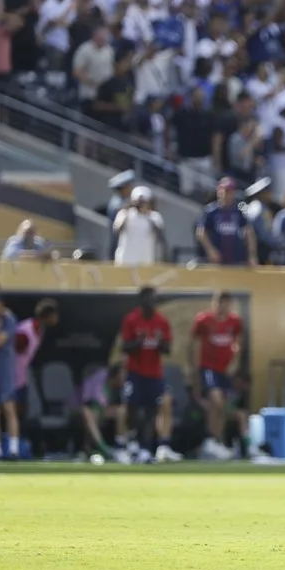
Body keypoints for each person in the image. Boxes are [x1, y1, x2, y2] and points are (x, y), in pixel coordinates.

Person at [120, 287, 172, 463]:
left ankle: (146, 448)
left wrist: (160, 342)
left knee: (151, 412)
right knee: (132, 409)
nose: (152, 304)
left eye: (154, 300)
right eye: (148, 300)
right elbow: (126, 347)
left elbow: (167, 349)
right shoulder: (131, 320)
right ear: (142, 301)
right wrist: (139, 341)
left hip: (154, 374)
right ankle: (132, 439)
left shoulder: (162, 322)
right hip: (135, 372)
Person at [189, 291, 242, 460]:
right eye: (219, 303)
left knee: (221, 406)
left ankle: (217, 442)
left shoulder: (235, 322)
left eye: (226, 303)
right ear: (214, 303)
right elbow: (194, 345)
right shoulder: (203, 321)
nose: (222, 307)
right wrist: (195, 370)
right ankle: (212, 440)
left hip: (225, 370)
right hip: (208, 368)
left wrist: (234, 363)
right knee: (216, 399)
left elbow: (238, 344)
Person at [13, 298, 59, 420]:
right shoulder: (25, 331)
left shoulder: (40, 330)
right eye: (55, 315)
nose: (56, 319)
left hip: (21, 377)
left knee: (22, 410)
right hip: (11, 377)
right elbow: (12, 353)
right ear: (47, 316)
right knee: (10, 410)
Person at [196, 177, 258, 267]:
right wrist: (210, 250)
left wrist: (252, 255)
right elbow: (201, 233)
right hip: (217, 259)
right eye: (224, 190)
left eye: (229, 191)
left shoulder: (239, 211)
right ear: (218, 191)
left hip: (236, 258)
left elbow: (249, 233)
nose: (226, 194)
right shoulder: (211, 211)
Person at [113, 185, 167, 266]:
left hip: (146, 262)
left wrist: (147, 215)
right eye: (140, 202)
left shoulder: (154, 217)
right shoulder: (124, 214)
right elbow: (117, 229)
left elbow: (160, 235)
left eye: (145, 202)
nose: (142, 205)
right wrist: (127, 210)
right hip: (125, 261)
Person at [0, 293, 19, 460]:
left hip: (4, 370)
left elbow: (0, 341)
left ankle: (13, 449)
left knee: (8, 408)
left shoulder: (9, 320)